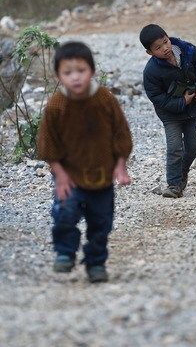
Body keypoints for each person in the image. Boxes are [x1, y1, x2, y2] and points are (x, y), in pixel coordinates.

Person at [37, 41, 133, 282]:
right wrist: (59, 174)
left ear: (91, 70)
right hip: (69, 176)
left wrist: (121, 164)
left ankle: (96, 262)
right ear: (58, 75)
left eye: (81, 71)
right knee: (65, 214)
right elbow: (48, 144)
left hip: (102, 175)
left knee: (101, 222)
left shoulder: (104, 99)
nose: (75, 78)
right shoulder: (56, 106)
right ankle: (65, 253)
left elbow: (121, 132)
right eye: (68, 73)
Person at [140, 23, 196, 199]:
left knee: (195, 145)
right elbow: (157, 98)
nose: (164, 48)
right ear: (150, 53)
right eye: (158, 48)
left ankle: (182, 171)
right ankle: (173, 185)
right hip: (170, 115)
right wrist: (182, 101)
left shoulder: (187, 50)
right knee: (175, 148)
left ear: (168, 37)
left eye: (165, 42)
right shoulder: (151, 71)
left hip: (193, 110)